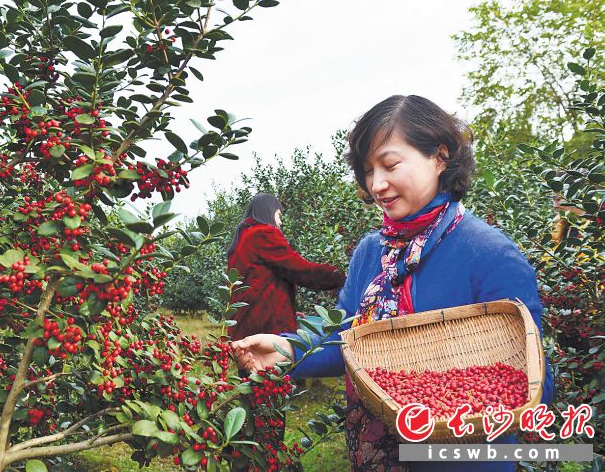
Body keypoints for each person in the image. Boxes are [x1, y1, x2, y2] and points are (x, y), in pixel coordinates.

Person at [232, 96, 555, 472]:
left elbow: (532, 383)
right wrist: (288, 348)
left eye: (389, 165)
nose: (377, 185)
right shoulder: (371, 253)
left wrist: (454, 402)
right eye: (368, 171)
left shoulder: (489, 255)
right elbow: (350, 338)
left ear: (439, 156)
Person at [226, 193, 345, 342]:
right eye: (279, 215)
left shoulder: (242, 239)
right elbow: (299, 269)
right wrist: (339, 275)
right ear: (268, 212)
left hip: (245, 326)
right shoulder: (263, 233)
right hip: (264, 330)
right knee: (275, 364)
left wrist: (288, 312)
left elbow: (258, 284)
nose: (280, 222)